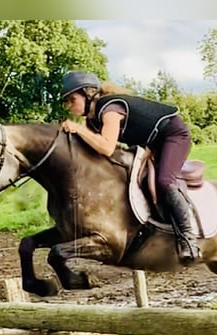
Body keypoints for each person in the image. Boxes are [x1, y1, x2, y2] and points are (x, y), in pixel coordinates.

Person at [59, 70, 201, 264]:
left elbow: (107, 147)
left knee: (164, 181)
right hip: (150, 143)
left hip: (173, 136)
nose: (69, 105)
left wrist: (78, 129)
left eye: (71, 99)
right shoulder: (92, 119)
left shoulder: (110, 109)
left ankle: (188, 238)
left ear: (87, 93)